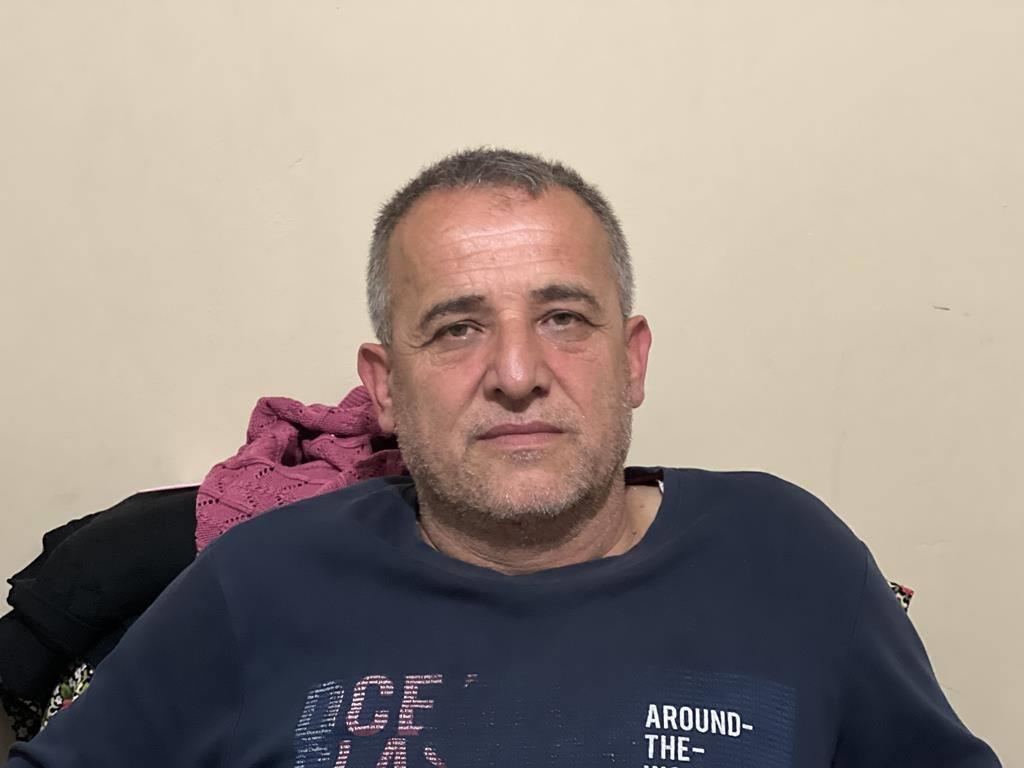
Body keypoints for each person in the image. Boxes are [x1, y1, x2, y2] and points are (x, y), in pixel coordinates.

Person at [6, 148, 1001, 767]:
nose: (518, 375)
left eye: (563, 318)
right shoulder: (258, 578)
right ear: (384, 385)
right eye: (456, 329)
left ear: (632, 358)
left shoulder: (794, 558)